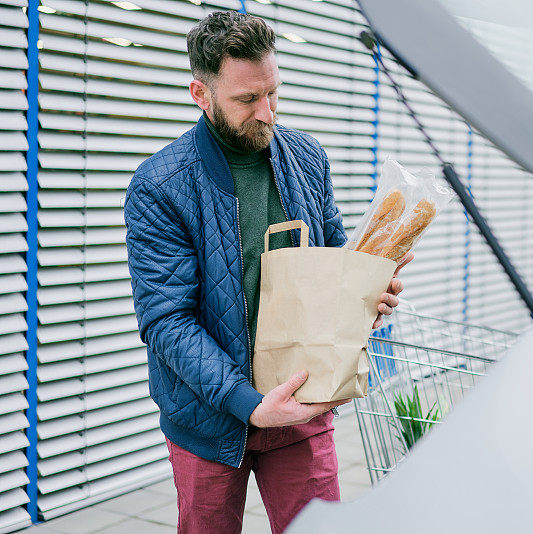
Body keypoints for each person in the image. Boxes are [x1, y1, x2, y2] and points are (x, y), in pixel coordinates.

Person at [123, 11, 408, 534]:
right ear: (200, 94)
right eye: (247, 99)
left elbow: (333, 263)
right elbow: (166, 321)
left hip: (304, 404)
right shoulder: (160, 186)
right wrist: (249, 405)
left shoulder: (307, 158)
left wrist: (367, 292)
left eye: (273, 93)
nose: (267, 111)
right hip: (208, 418)